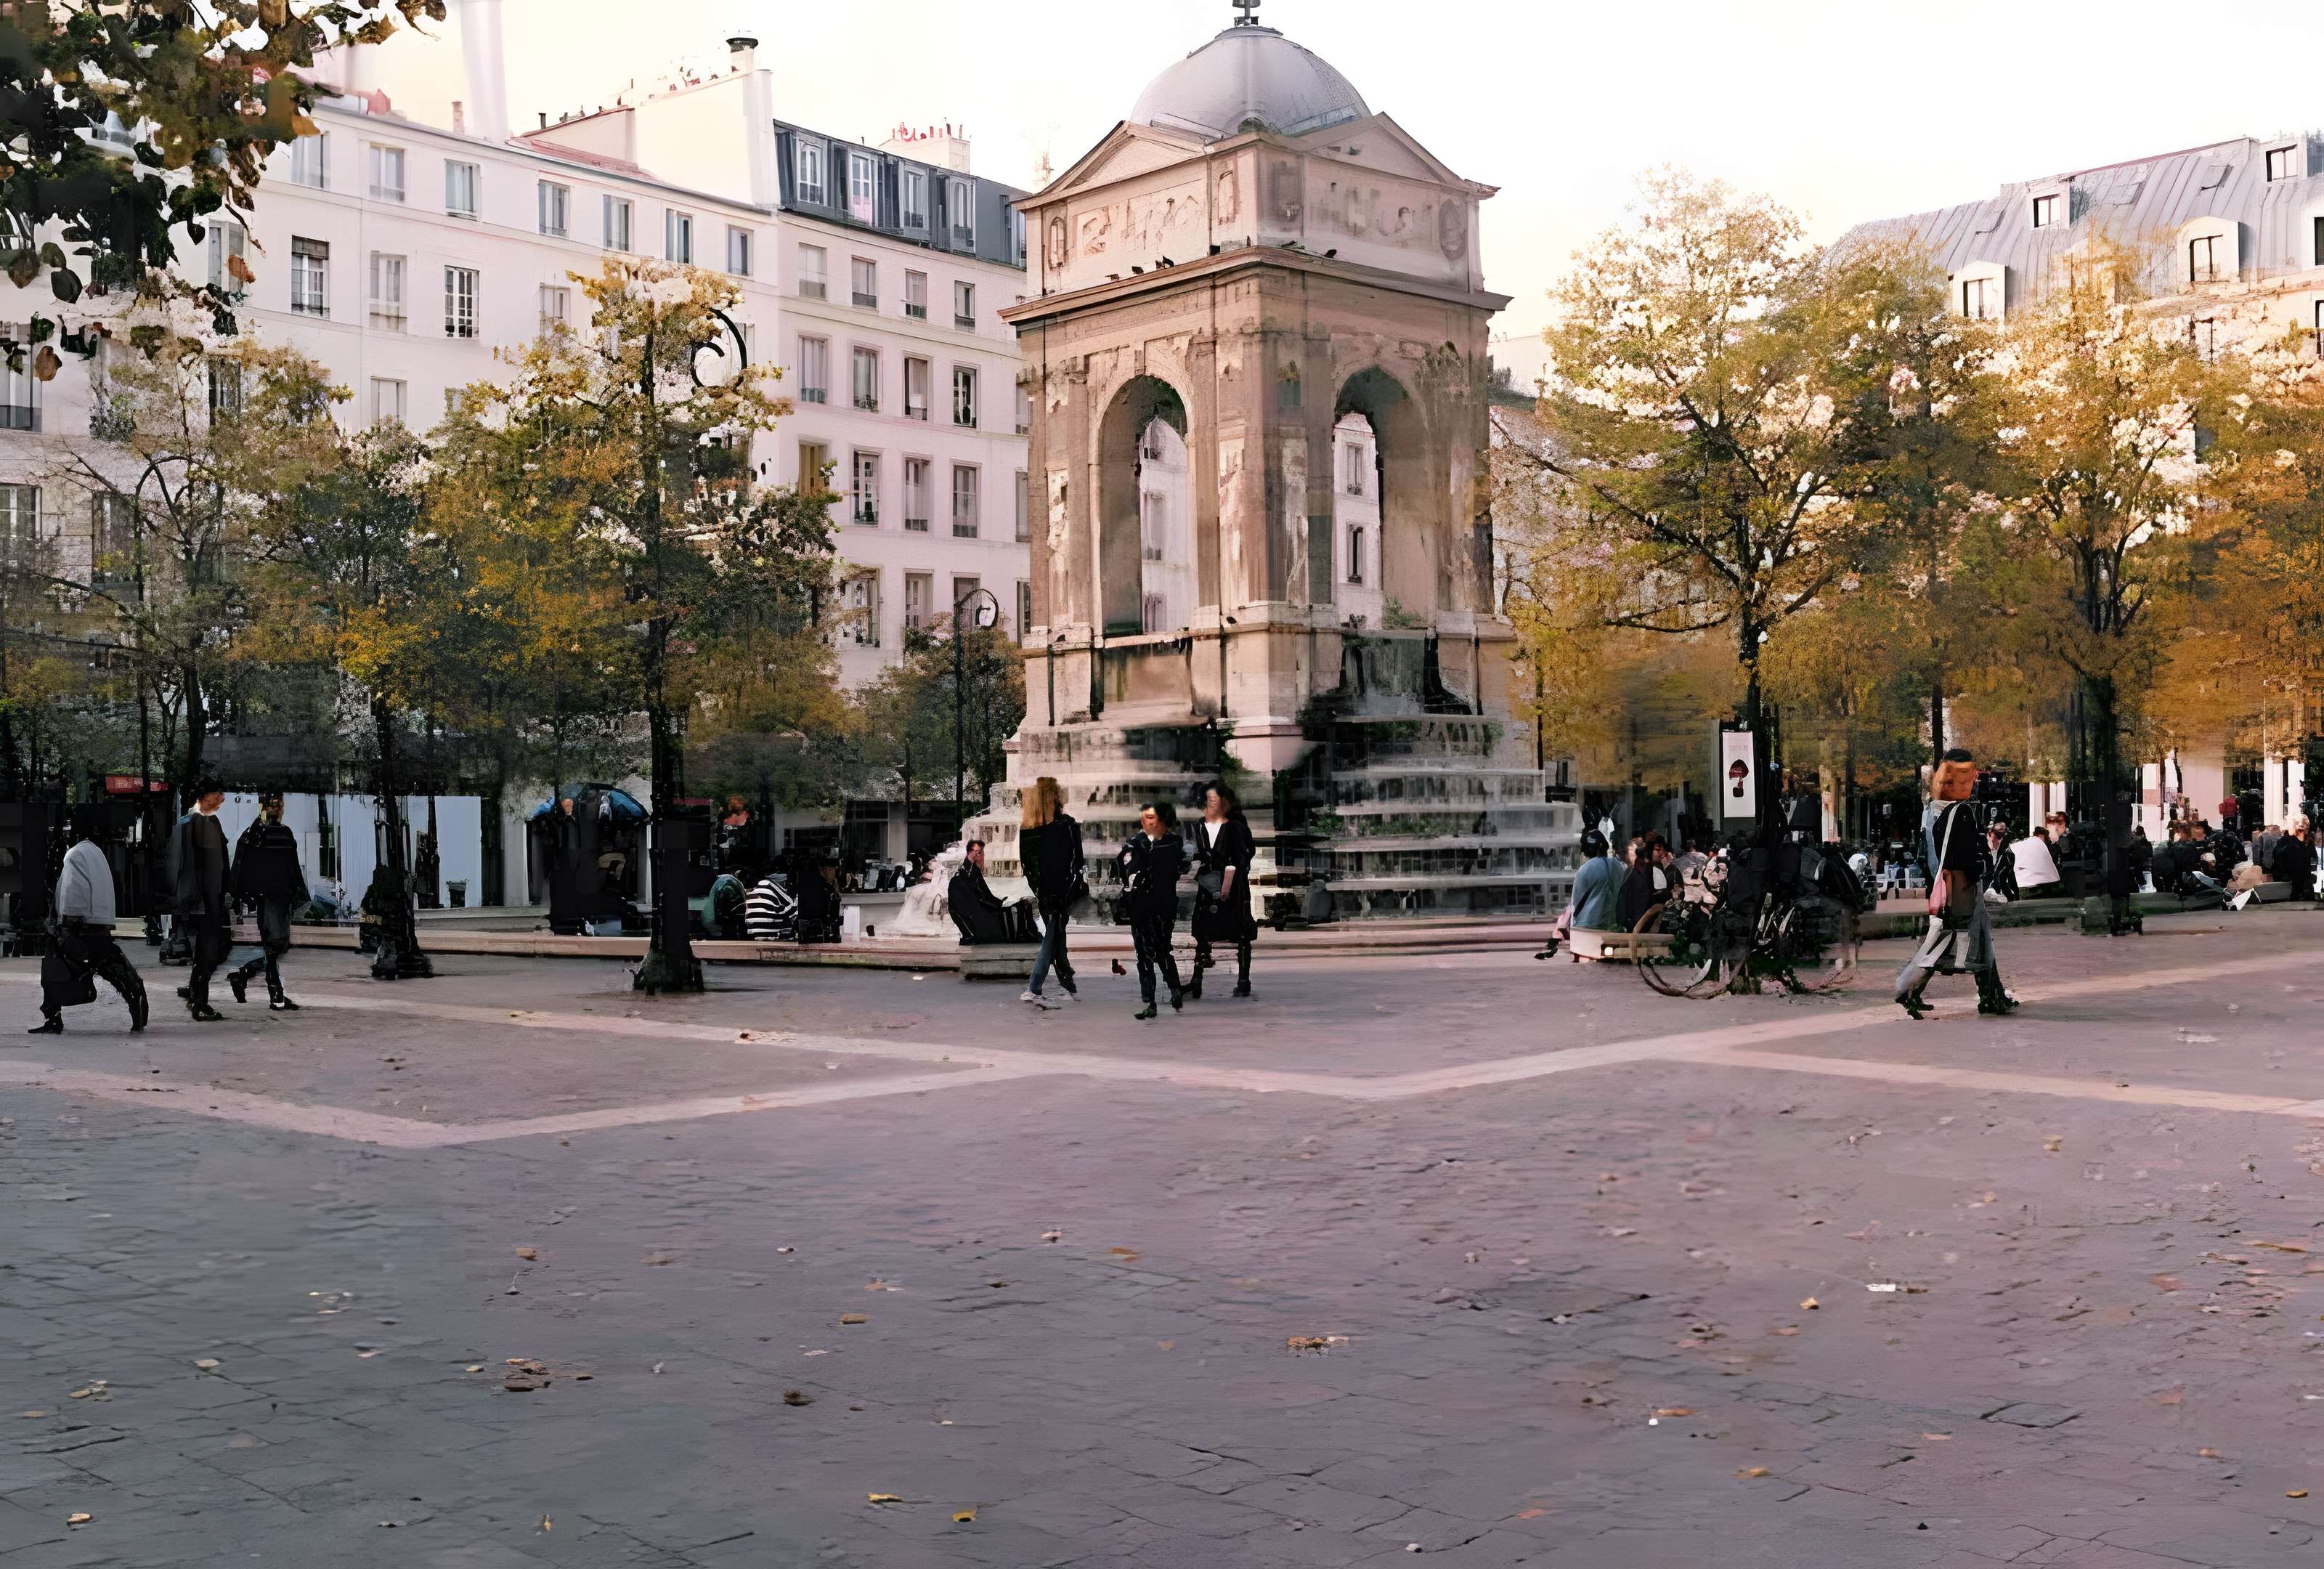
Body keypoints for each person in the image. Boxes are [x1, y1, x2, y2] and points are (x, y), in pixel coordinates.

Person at [1896, 748, 2017, 1020]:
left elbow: (1929, 855)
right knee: (1939, 946)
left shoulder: (1930, 810)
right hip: (1959, 891)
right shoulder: (1958, 811)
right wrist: (1982, 872)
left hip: (1944, 888)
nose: (1971, 780)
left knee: (1978, 942)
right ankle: (1907, 988)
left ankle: (1992, 996)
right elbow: (1963, 859)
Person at [30, 808, 147, 1034]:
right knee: (119, 973)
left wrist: (67, 922)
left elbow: (74, 889)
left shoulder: (75, 854)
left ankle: (53, 1019)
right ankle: (138, 1009)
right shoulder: (97, 853)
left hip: (80, 927)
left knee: (53, 971)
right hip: (100, 926)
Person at [224, 792, 309, 1012]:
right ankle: (275, 993)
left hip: (265, 898)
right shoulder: (281, 834)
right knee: (275, 947)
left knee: (273, 947)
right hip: (277, 899)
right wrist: (299, 896)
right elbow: (292, 869)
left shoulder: (252, 835)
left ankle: (248, 978)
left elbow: (241, 867)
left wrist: (240, 894)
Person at [1017, 776, 1084, 1009]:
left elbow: (1028, 866)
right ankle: (1047, 984)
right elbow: (1078, 862)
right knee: (1055, 934)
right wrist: (1061, 889)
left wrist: (1044, 891)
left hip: (1051, 891)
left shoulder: (1030, 828)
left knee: (1055, 933)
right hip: (1058, 890)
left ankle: (1056, 983)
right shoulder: (1066, 825)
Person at [168, 777, 232, 1022]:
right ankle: (199, 1001)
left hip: (195, 897)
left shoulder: (188, 819)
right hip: (205, 898)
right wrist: (218, 896)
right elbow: (207, 866)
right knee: (212, 949)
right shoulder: (202, 822)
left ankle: (195, 992)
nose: (222, 799)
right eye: (218, 794)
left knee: (208, 950)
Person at [1117, 800, 1187, 1019]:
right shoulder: (1171, 842)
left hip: (1151, 905)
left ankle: (1154, 1000)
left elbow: (1129, 869)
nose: (1145, 821)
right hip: (1157, 904)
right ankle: (1170, 992)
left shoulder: (1143, 844)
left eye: (1150, 817)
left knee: (1149, 954)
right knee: (1157, 951)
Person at [1188, 781, 1256, 1000]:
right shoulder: (1200, 825)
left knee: (1241, 932)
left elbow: (1244, 857)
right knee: (1203, 932)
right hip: (1208, 885)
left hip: (1234, 886)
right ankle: (1197, 980)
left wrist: (1227, 879)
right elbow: (1198, 853)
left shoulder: (1236, 826)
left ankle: (1243, 980)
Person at [946, 839, 1036, 944]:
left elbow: (985, 893)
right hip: (979, 908)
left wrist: (999, 901)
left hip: (980, 905)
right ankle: (1018, 935)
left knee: (1020, 905)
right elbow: (982, 897)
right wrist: (998, 903)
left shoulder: (970, 873)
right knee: (1016, 907)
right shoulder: (967, 876)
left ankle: (1021, 933)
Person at [1616, 833, 1670, 931]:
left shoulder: (1654, 871)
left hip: (1647, 925)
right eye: (1657, 850)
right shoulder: (1630, 872)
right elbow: (1623, 899)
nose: (1660, 854)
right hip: (1633, 924)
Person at [2010, 825, 2063, 900]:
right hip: (2041, 883)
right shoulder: (2040, 844)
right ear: (2042, 835)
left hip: (2022, 881)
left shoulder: (2024, 843)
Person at [2270, 816, 2316, 901]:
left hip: (2298, 876)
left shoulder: (2307, 841)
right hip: (2289, 875)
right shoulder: (2286, 841)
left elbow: (2313, 858)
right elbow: (2278, 858)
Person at [1984, 823, 2020, 901]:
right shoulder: (2003, 838)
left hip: (2006, 858)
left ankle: (2011, 895)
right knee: (2006, 876)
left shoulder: (2004, 840)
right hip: (2007, 859)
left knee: (2003, 876)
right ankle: (2013, 895)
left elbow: (2001, 853)